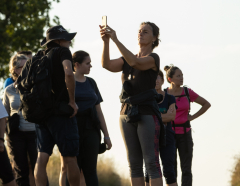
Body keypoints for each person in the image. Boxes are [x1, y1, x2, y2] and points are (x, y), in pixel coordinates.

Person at [100, 22, 164, 186]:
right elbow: (106, 64)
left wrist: (116, 40)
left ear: (154, 38)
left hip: (146, 112)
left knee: (151, 162)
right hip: (126, 112)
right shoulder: (126, 59)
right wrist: (106, 41)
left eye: (146, 31)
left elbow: (136, 62)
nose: (141, 33)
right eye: (139, 31)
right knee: (134, 164)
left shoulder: (153, 58)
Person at [34, 25, 81, 186]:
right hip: (60, 113)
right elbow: (69, 72)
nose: (69, 41)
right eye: (67, 38)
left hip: (41, 113)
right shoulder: (63, 51)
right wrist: (72, 101)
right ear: (59, 40)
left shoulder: (39, 56)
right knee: (69, 157)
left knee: (41, 158)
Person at [60, 51, 112, 186]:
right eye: (87, 63)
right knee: (72, 168)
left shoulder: (91, 82)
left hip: (92, 129)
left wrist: (106, 136)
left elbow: (99, 111)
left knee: (90, 170)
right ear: (76, 64)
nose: (90, 66)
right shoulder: (66, 82)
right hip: (72, 128)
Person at [165, 64, 211, 186]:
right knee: (171, 169)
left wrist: (192, 117)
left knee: (186, 169)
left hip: (185, 134)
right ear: (170, 79)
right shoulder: (164, 94)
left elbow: (206, 104)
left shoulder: (187, 92)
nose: (181, 78)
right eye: (178, 76)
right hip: (169, 135)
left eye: (182, 75)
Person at [3, 53, 39, 186]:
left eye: (28, 66)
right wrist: (4, 136)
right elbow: (4, 114)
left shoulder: (37, 87)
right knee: (20, 171)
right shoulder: (9, 90)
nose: (27, 69)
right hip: (16, 135)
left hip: (35, 133)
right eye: (23, 66)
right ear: (15, 70)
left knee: (39, 168)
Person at [145, 70, 177, 186]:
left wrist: (153, 116)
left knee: (169, 171)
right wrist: (164, 116)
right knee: (149, 171)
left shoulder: (170, 98)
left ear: (163, 80)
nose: (156, 80)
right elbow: (146, 118)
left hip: (167, 138)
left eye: (158, 77)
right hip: (150, 138)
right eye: (153, 78)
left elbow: (171, 116)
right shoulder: (147, 99)